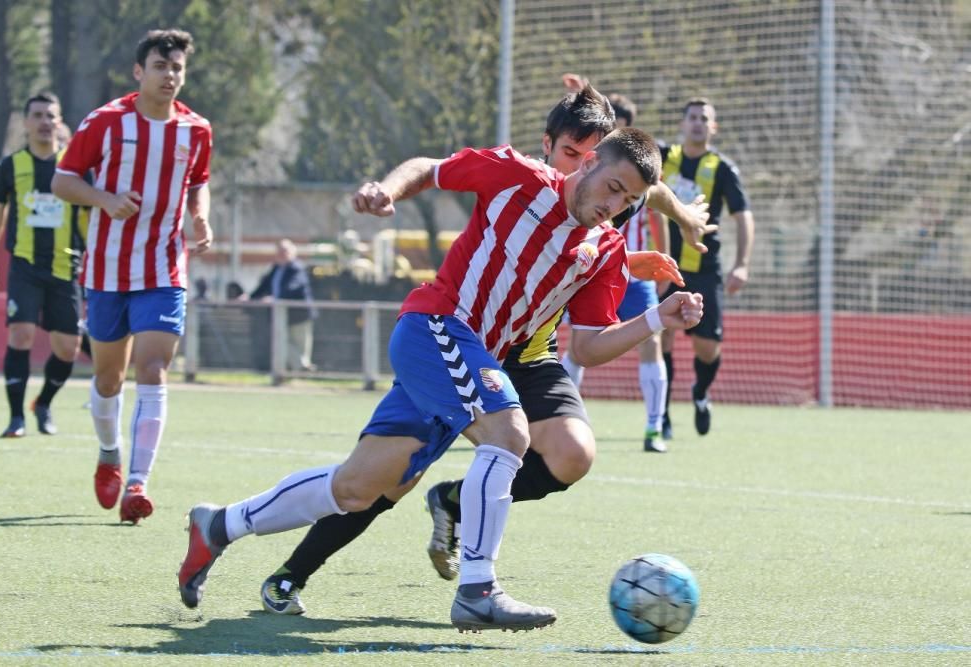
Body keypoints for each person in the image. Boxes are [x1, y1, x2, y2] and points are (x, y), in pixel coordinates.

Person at [178, 125, 703, 633]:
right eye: (613, 187)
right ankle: (478, 591)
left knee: (359, 487)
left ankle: (220, 524)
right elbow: (430, 169)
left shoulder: (604, 250)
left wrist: (657, 318)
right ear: (587, 162)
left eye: (629, 199)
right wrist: (387, 190)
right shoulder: (514, 176)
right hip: (435, 325)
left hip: (469, 361)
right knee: (509, 434)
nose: (615, 205)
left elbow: (587, 345)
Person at [51, 29, 213, 524]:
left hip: (164, 268)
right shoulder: (106, 122)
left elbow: (199, 181)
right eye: (161, 67)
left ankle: (139, 483)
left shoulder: (196, 130)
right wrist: (104, 199)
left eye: (177, 68)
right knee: (107, 377)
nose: (170, 76)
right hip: (106, 270)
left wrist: (201, 215)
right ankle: (109, 454)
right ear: (139, 72)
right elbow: (62, 180)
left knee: (154, 369)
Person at [560, 92, 673, 453]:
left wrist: (665, 257)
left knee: (650, 341)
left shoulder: (642, 176)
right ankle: (559, 419)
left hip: (633, 272)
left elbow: (657, 211)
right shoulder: (592, 166)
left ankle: (655, 427)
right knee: (575, 348)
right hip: (586, 266)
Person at [0, 92, 89, 437]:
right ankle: (16, 418)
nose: (44, 122)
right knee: (21, 334)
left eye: (50, 116)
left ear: (59, 124)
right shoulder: (11, 166)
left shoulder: (75, 167)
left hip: (64, 266)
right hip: (25, 266)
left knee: (68, 348)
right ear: (26, 123)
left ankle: (43, 403)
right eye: (37, 115)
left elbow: (89, 213)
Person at [658, 98, 755, 439]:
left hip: (704, 269)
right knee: (661, 338)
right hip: (664, 266)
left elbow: (743, 217)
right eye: (692, 117)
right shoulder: (663, 157)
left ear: (713, 127)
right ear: (682, 124)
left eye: (705, 119)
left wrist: (741, 264)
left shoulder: (722, 168)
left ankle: (700, 392)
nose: (698, 123)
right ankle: (661, 416)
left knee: (707, 348)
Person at [249, 239, 318, 372]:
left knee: (299, 345)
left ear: (293, 252)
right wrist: (250, 297)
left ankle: (301, 369)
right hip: (281, 314)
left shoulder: (296, 268)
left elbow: (293, 287)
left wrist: (275, 298)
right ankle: (301, 367)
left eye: (285, 251)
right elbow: (264, 286)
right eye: (280, 251)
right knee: (280, 341)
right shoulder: (276, 268)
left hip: (299, 315)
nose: (282, 254)